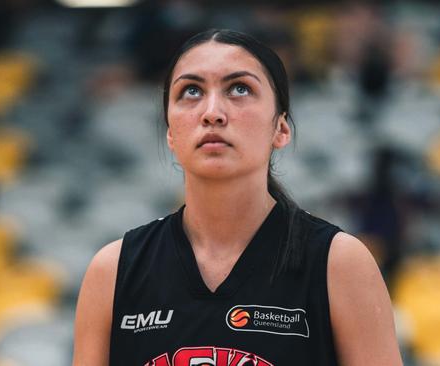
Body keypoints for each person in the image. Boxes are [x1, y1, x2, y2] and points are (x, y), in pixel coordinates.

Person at [73, 29, 403, 366]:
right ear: (170, 132)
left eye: (239, 89)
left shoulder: (339, 263)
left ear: (281, 128)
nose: (212, 112)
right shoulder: (113, 270)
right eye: (191, 91)